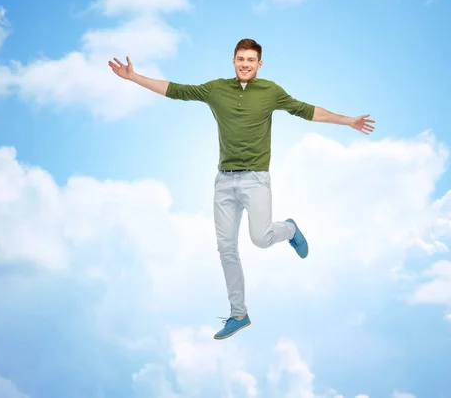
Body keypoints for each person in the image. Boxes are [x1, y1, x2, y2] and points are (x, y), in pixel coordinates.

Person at [108, 38, 375, 340]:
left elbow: (306, 110)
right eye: (240, 59)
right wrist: (133, 77)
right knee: (226, 249)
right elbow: (175, 90)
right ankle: (239, 314)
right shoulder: (215, 89)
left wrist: (347, 120)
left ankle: (289, 229)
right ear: (233, 61)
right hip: (223, 182)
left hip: (255, 179)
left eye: (250, 59)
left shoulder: (270, 91)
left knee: (260, 238)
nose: (245, 64)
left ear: (259, 63)